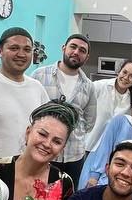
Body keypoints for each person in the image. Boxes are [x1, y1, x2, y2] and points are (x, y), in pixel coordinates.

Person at [0, 28, 50, 159]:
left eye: (27, 50)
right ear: (0, 51)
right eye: (14, 48)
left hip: (30, 165)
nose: (21, 54)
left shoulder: (37, 87)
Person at [32, 34, 96, 182]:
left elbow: (89, 121)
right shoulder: (39, 75)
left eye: (82, 50)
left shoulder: (88, 86)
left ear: (86, 57)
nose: (76, 52)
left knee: (68, 195)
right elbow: (29, 110)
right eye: (73, 47)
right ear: (64, 48)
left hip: (73, 156)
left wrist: (75, 132)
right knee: (36, 193)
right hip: (42, 150)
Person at [80, 98, 132, 187]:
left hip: (126, 177)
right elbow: (104, 147)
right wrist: (95, 176)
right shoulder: (120, 120)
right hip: (101, 168)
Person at [82, 59, 132, 160]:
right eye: (124, 72)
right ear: (119, 71)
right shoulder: (99, 86)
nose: (126, 78)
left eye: (131, 76)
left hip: (111, 152)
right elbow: (81, 107)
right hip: (88, 145)